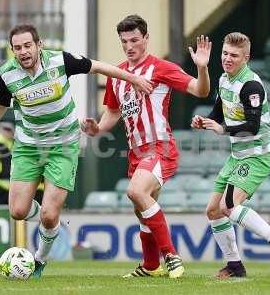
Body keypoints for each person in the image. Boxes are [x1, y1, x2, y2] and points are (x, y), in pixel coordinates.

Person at [0, 23, 153, 278]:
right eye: (17, 48)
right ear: (12, 51)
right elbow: (1, 104)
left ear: (39, 45)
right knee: (18, 211)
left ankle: (40, 259)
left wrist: (133, 78)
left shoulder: (60, 61)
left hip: (63, 145)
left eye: (27, 46)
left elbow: (99, 66)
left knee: (47, 214)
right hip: (28, 146)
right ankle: (53, 220)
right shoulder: (7, 73)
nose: (22, 52)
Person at [81, 14, 211, 278]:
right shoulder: (117, 75)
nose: (130, 46)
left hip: (160, 147)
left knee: (136, 191)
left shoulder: (161, 68)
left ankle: (171, 255)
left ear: (146, 38)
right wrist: (96, 128)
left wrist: (202, 67)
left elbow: (200, 91)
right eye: (124, 41)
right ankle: (151, 266)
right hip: (136, 153)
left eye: (135, 40)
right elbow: (113, 114)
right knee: (142, 210)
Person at [191, 32, 270, 278]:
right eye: (225, 53)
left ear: (246, 57)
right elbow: (219, 111)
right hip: (237, 155)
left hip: (256, 156)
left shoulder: (251, 85)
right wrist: (205, 121)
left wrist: (222, 128)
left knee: (229, 205)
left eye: (234, 56)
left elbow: (254, 125)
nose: (227, 59)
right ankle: (235, 267)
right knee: (213, 210)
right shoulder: (224, 79)